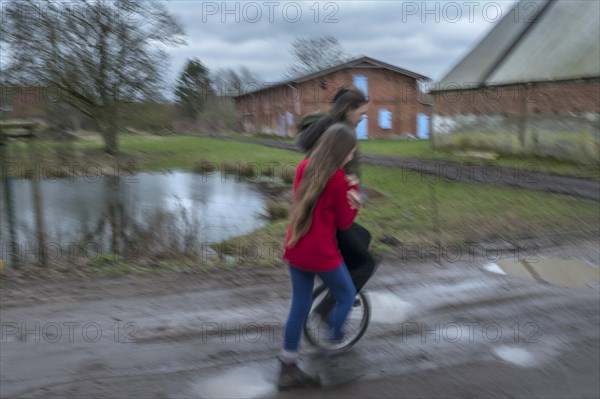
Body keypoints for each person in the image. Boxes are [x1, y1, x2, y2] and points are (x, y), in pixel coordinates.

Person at [278, 123, 361, 390]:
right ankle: (332, 339)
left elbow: (304, 202)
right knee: (347, 294)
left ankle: (288, 364)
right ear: (340, 152)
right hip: (321, 253)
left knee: (299, 306)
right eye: (350, 152)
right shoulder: (337, 179)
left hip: (295, 245)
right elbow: (344, 223)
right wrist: (355, 197)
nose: (352, 156)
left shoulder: (304, 167)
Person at [296, 86, 377, 320]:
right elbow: (325, 172)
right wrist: (346, 186)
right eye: (361, 113)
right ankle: (333, 301)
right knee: (365, 263)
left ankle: (338, 286)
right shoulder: (338, 132)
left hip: (329, 206)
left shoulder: (335, 127)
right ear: (349, 110)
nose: (363, 118)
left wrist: (352, 186)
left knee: (363, 238)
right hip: (328, 212)